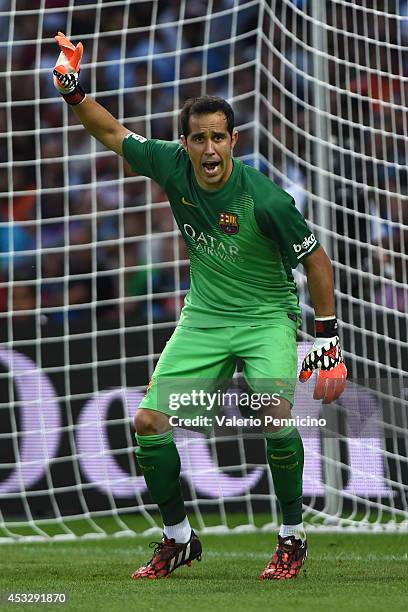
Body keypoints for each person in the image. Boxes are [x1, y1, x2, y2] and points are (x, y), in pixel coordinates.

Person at [52, 33, 347, 581]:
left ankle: (291, 537)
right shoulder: (172, 166)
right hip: (205, 318)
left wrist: (326, 339)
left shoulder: (266, 199)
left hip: (266, 318)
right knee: (147, 421)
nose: (209, 151)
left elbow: (318, 263)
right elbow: (111, 130)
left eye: (218, 139)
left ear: (234, 139)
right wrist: (72, 90)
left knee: (272, 412)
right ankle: (178, 538)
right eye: (198, 139)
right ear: (183, 142)